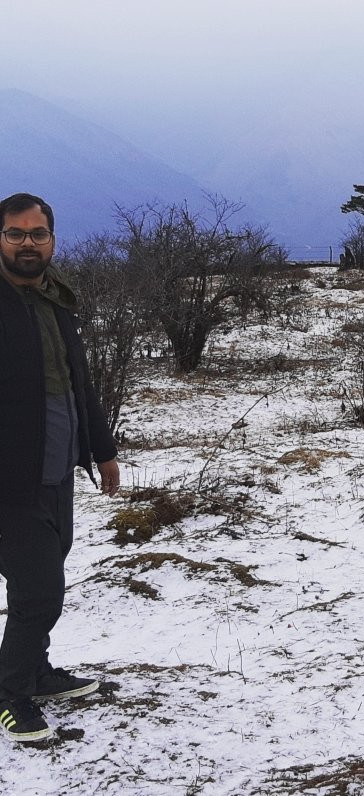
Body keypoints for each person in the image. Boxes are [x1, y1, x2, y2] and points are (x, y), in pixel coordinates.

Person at [0, 192, 120, 743]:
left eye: (38, 233)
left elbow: (79, 385)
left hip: (56, 471)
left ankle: (35, 671)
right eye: (15, 233)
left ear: (52, 239)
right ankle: (10, 692)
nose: (28, 243)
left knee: (45, 580)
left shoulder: (55, 301)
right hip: (10, 482)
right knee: (40, 590)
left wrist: (102, 449)